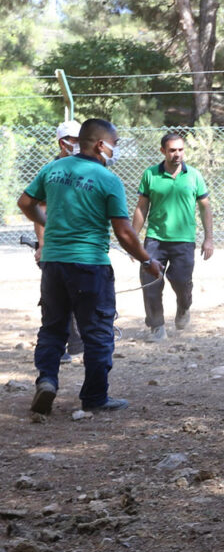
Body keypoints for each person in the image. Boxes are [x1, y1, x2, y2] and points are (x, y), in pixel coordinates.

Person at [18, 118, 163, 414]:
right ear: (100, 144)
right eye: (115, 144)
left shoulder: (52, 169)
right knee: (97, 331)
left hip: (53, 264)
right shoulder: (108, 180)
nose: (116, 149)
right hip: (89, 266)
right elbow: (124, 232)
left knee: (53, 328)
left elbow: (24, 203)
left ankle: (47, 380)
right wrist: (148, 260)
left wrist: (48, 223)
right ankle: (95, 397)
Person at [132, 132, 213, 341]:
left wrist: (208, 238)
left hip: (184, 240)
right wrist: (133, 239)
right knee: (150, 282)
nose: (177, 154)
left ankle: (184, 307)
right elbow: (142, 208)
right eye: (172, 150)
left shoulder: (194, 175)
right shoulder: (150, 174)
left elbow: (205, 208)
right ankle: (156, 326)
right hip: (155, 239)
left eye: (180, 149)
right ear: (163, 151)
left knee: (181, 282)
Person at [32, 120, 85, 363]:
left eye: (80, 139)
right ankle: (59, 347)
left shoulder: (87, 167)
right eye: (73, 139)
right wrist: (42, 245)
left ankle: (77, 343)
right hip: (55, 245)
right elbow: (38, 209)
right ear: (63, 142)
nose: (77, 144)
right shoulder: (50, 170)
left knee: (82, 294)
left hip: (82, 244)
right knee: (54, 299)